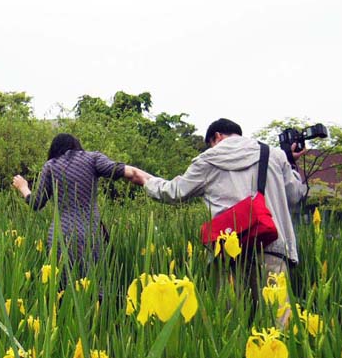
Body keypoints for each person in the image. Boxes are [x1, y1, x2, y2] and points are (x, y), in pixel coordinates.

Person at [130, 118, 308, 312]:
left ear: (216, 137)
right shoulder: (275, 155)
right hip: (272, 245)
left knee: (231, 323)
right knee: (278, 319)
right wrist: (292, 164)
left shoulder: (208, 160)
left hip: (230, 252)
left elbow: (174, 192)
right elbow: (295, 195)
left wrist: (145, 180)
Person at [12, 133, 140, 280]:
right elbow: (123, 170)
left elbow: (36, 203)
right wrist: (149, 179)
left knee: (62, 286)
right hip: (89, 232)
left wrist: (23, 187)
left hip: (61, 233)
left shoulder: (51, 166)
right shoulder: (93, 158)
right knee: (93, 283)